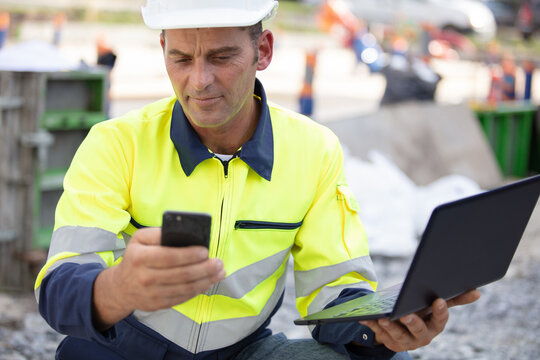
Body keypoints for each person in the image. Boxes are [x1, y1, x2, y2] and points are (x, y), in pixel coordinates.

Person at [34, 1, 480, 359]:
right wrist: (118, 289)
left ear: (263, 51)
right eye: (181, 59)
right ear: (164, 52)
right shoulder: (117, 144)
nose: (199, 80)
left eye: (221, 57)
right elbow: (61, 284)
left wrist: (380, 330)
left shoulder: (313, 150)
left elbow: (333, 291)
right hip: (124, 350)